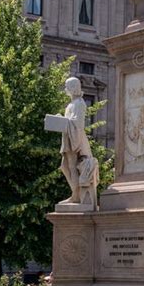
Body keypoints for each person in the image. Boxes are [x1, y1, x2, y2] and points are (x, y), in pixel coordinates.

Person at [58, 77, 99, 207]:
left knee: (71, 166)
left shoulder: (79, 103)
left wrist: (64, 122)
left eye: (67, 86)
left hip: (75, 139)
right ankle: (74, 193)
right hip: (68, 137)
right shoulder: (72, 104)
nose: (65, 89)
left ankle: (75, 196)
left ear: (73, 88)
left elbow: (78, 124)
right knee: (64, 166)